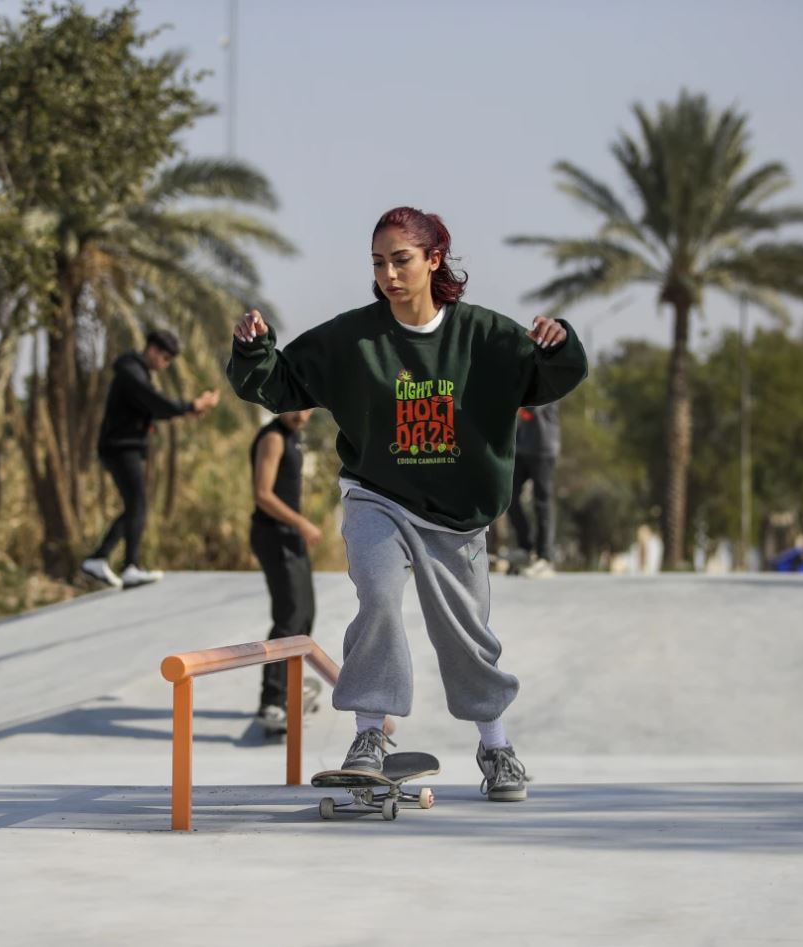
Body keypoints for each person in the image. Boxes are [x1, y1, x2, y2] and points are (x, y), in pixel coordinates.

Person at [227, 207, 588, 801]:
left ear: (433, 260)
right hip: (378, 497)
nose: (389, 274)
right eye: (378, 262)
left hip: (456, 514)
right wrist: (254, 348)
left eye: (401, 260)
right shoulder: (354, 338)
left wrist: (558, 342)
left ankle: (495, 745)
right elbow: (280, 382)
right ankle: (370, 734)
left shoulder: (484, 336)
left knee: (466, 633)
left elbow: (552, 376)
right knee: (379, 598)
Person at [81, 329, 219, 589]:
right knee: (138, 503)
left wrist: (189, 409)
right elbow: (155, 402)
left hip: (126, 447)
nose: (165, 365)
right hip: (120, 448)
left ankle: (99, 558)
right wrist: (190, 406)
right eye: (165, 358)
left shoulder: (137, 373)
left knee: (136, 505)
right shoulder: (131, 372)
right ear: (153, 350)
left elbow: (152, 408)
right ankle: (129, 566)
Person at [249, 409, 322, 734]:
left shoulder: (293, 437)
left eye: (308, 408)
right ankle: (272, 701)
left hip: (291, 537)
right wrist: (301, 522)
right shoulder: (274, 437)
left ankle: (290, 687)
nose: (302, 415)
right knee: (289, 615)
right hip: (274, 535)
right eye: (297, 407)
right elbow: (262, 494)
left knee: (305, 614)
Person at [507, 401, 560, 577]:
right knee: (508, 496)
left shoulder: (545, 376)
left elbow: (530, 408)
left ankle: (545, 556)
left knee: (542, 502)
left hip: (544, 447)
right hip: (522, 448)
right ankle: (525, 547)